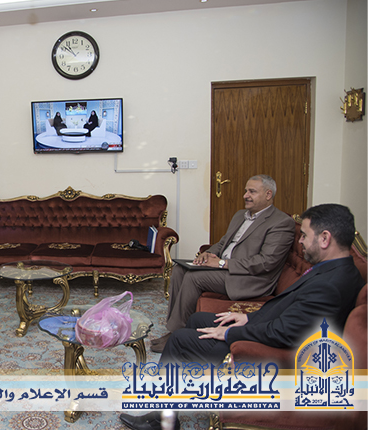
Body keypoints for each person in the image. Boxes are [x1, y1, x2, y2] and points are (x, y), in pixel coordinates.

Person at [123, 203, 364, 429]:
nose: (300, 242)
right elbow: (292, 312)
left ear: (325, 238)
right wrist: (247, 318)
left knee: (179, 341)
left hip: (271, 355)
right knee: (198, 319)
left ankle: (163, 419)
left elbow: (286, 333)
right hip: (269, 330)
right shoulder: (336, 271)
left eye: (304, 236)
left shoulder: (330, 285)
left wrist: (231, 333)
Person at [151, 174, 295, 353]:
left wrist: (221, 263)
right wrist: (208, 253)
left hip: (249, 278)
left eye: (252, 192)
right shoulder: (240, 215)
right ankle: (174, 328)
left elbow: (266, 262)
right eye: (245, 191)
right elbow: (224, 242)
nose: (245, 195)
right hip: (224, 269)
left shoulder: (281, 222)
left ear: (268, 194)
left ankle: (177, 334)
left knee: (194, 278)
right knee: (179, 269)